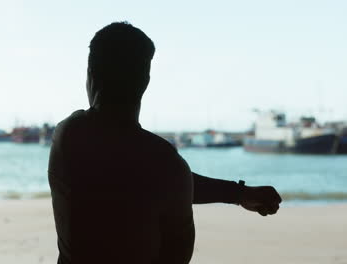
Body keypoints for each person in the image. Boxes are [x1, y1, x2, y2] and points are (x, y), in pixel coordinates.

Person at [48, 21, 282, 264]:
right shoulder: (163, 162)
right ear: (145, 80)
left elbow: (134, 172)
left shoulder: (67, 135)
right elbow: (163, 188)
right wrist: (238, 193)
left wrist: (238, 193)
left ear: (90, 74)